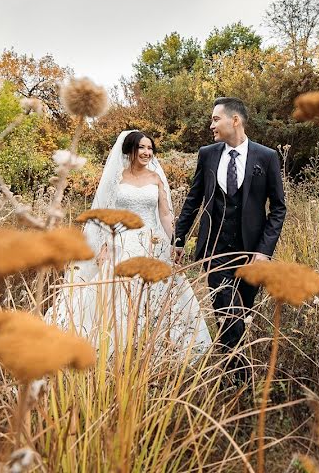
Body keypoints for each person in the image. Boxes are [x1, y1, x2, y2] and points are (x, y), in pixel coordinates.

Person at [52, 130, 212, 359]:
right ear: (130, 150)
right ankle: (116, 347)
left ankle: (157, 347)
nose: (147, 153)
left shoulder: (156, 178)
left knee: (157, 293)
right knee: (118, 295)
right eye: (142, 148)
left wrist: (175, 241)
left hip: (152, 242)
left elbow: (165, 215)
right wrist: (105, 245)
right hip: (121, 243)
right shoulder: (116, 178)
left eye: (150, 148)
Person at [173, 97, 286, 385]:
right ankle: (243, 380)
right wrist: (179, 237)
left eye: (215, 119)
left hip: (252, 253)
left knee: (240, 315)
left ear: (234, 120)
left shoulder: (266, 156)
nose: (211, 125)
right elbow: (193, 199)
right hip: (215, 251)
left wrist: (264, 252)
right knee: (228, 310)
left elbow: (279, 208)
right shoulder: (207, 154)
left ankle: (227, 377)